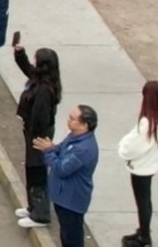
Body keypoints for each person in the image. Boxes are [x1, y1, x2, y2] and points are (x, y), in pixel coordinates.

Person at [32, 103, 99, 245]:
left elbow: (62, 169)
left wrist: (48, 151)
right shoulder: (74, 136)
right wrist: (52, 148)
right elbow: (60, 148)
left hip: (71, 201)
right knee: (65, 234)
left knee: (71, 237)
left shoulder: (84, 149)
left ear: (84, 125)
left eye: (72, 118)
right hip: (63, 197)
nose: (68, 120)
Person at [118, 80, 158, 247]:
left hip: (141, 167)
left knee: (142, 201)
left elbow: (134, 145)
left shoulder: (147, 123)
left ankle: (144, 237)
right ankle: (143, 230)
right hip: (151, 164)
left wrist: (122, 148)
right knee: (145, 200)